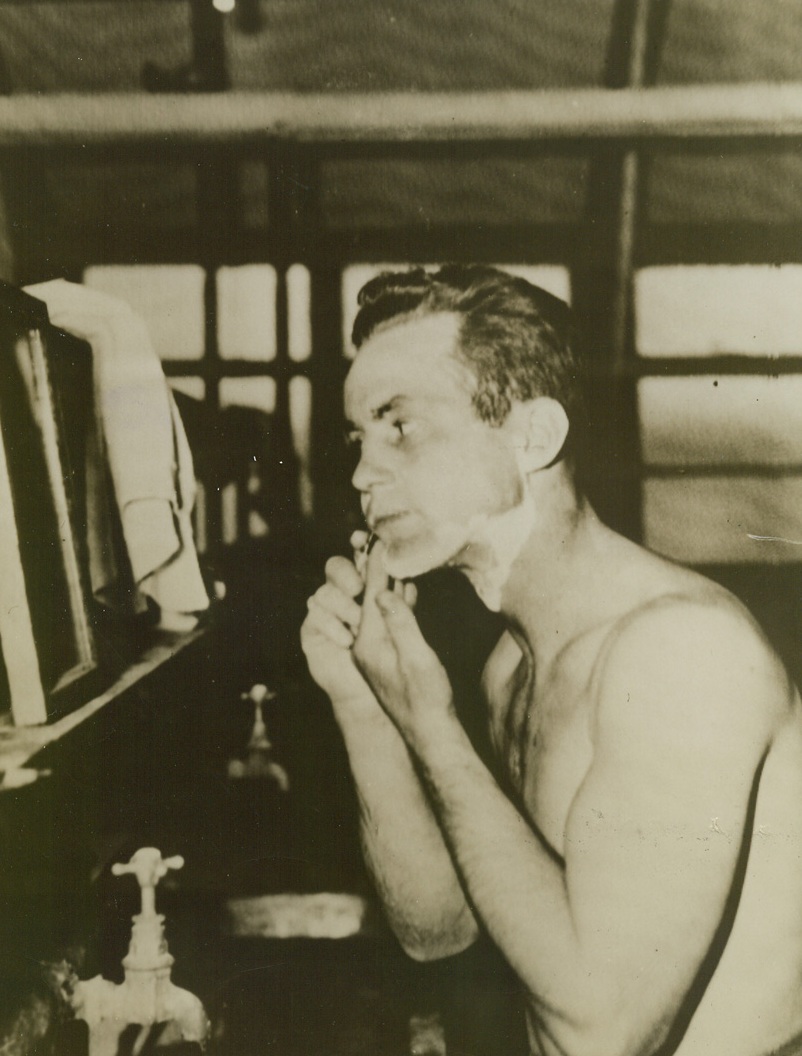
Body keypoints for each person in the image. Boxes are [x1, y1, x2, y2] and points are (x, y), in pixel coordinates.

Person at [300, 264, 802, 1056]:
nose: (363, 474)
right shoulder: (514, 665)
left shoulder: (678, 654)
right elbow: (438, 929)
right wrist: (364, 704)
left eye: (400, 426)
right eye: (358, 438)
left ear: (534, 436)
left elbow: (603, 1033)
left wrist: (432, 724)